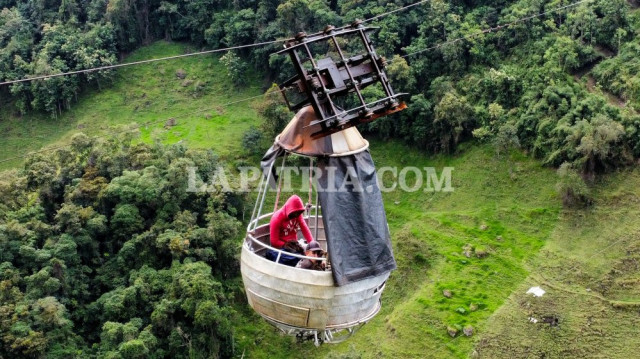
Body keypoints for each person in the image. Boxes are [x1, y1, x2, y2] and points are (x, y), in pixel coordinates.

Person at [265, 195, 314, 266]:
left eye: (299, 213)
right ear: (289, 210)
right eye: (295, 213)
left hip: (294, 245)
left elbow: (305, 228)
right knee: (296, 258)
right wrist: (289, 246)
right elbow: (274, 242)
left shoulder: (297, 214)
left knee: (308, 255)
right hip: (282, 248)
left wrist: (312, 245)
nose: (296, 215)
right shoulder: (277, 218)